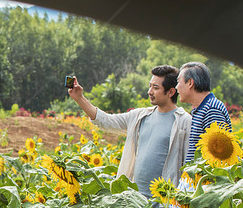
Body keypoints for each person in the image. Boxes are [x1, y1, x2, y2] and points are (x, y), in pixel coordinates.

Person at [68, 65, 191, 197]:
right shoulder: (140, 116)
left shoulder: (184, 122)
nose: (150, 91)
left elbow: (189, 166)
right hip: (135, 200)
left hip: (165, 203)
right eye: (150, 86)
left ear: (171, 92)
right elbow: (106, 121)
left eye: (155, 88)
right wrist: (79, 98)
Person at [176, 61, 232, 163]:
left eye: (178, 82)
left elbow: (219, 155)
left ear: (190, 83)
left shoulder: (212, 109)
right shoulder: (200, 110)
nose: (177, 87)